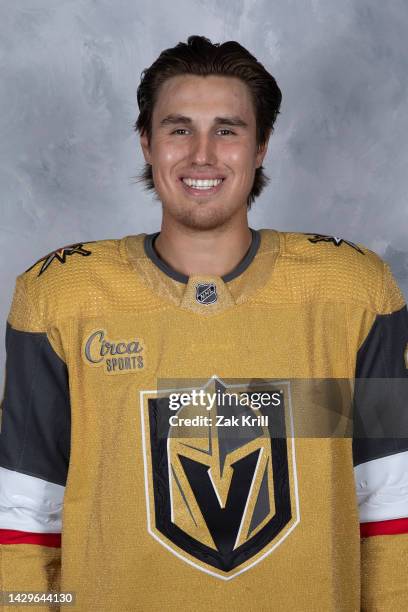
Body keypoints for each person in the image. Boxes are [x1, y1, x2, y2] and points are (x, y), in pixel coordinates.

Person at [0, 34, 407, 611]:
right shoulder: (62, 298)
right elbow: (23, 516)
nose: (202, 155)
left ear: (261, 145)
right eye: (178, 127)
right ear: (146, 142)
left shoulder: (351, 294)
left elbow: (390, 508)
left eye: (228, 130)